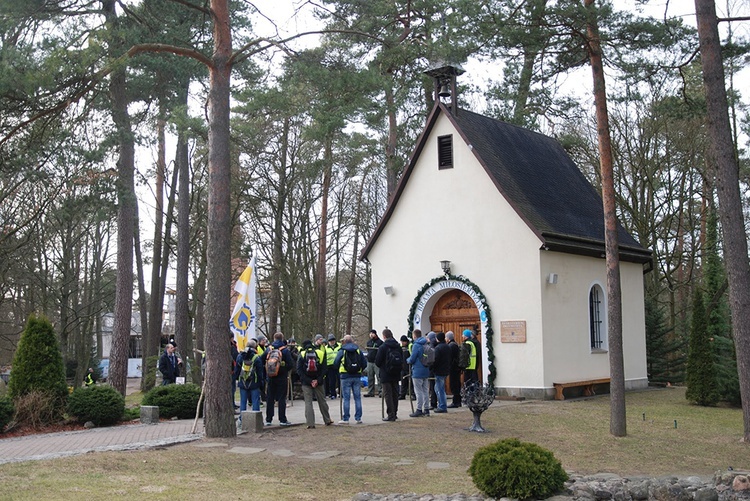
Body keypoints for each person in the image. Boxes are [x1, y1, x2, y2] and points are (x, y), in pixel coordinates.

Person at [297, 339, 333, 428]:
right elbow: (324, 369)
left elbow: (299, 370)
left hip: (306, 382)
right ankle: (327, 420)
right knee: (322, 401)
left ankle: (310, 423)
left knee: (308, 403)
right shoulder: (320, 353)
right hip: (318, 382)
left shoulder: (301, 354)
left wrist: (309, 381)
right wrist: (318, 380)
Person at [261, 332, 294, 426]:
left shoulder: (269, 349)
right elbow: (290, 364)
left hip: (270, 377)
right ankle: (282, 419)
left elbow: (261, 359)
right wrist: (283, 369)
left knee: (270, 398)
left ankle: (268, 419)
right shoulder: (285, 350)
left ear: (274, 338)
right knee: (281, 398)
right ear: (282, 338)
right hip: (282, 377)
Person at [333, 334, 367, 424]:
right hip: (356, 376)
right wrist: (359, 370)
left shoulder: (342, 351)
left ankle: (346, 419)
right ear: (352, 341)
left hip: (345, 376)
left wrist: (339, 370)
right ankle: (358, 418)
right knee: (357, 398)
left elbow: (336, 363)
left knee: (346, 398)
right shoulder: (358, 351)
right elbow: (364, 363)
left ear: (344, 341)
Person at [375, 328, 402, 422]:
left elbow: (377, 362)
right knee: (395, 393)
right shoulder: (398, 346)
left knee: (387, 394)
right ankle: (395, 412)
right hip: (396, 372)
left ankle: (391, 414)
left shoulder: (383, 347)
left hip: (385, 373)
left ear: (384, 336)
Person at [234, 340, 264, 412]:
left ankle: (242, 419)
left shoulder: (240, 356)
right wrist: (261, 383)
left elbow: (237, 370)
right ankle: (255, 420)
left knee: (243, 402)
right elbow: (260, 372)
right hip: (254, 382)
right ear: (255, 347)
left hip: (243, 381)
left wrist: (237, 379)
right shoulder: (257, 357)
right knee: (255, 401)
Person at [406, 329, 430, 417]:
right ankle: (426, 409)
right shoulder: (426, 344)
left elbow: (412, 358)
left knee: (418, 391)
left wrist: (407, 360)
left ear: (414, 336)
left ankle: (419, 409)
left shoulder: (416, 345)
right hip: (426, 369)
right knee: (425, 391)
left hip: (417, 370)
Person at [432, 332, 451, 413]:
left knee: (439, 389)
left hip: (439, 370)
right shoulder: (447, 346)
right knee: (440, 388)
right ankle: (442, 405)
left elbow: (435, 360)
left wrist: (432, 368)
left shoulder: (438, 348)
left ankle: (442, 406)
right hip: (445, 370)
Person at [364, 329, 383, 397]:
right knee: (370, 377)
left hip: (376, 362)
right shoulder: (369, 342)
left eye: (372, 333)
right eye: (370, 333)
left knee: (379, 377)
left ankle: (381, 391)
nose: (371, 335)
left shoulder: (380, 342)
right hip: (370, 362)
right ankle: (370, 392)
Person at [446, 331, 462, 407]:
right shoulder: (455, 344)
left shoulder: (451, 346)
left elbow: (450, 358)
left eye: (446, 337)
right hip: (457, 367)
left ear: (448, 338)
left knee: (454, 385)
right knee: (456, 384)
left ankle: (456, 402)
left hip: (454, 368)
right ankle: (458, 401)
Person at [325, 334, 340, 399]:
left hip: (338, 365)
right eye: (330, 341)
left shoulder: (339, 346)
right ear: (328, 341)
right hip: (330, 366)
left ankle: (340, 393)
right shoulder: (325, 348)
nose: (332, 342)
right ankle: (333, 394)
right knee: (332, 381)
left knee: (340, 380)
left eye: (333, 340)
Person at [426, 331, 438, 410]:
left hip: (432, 370)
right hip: (436, 369)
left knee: (433, 387)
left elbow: (430, 359)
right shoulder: (436, 345)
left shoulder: (431, 347)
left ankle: (433, 403)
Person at [398, 335, 410, 399]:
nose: (402, 343)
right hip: (402, 367)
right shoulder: (400, 348)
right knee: (403, 382)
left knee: (410, 382)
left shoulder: (409, 346)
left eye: (403, 341)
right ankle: (402, 394)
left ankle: (412, 394)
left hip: (408, 367)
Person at [230, 334, 239, 409]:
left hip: (232, 370)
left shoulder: (232, 345)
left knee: (233, 388)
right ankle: (231, 405)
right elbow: (236, 356)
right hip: (231, 370)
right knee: (232, 389)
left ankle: (232, 404)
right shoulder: (232, 347)